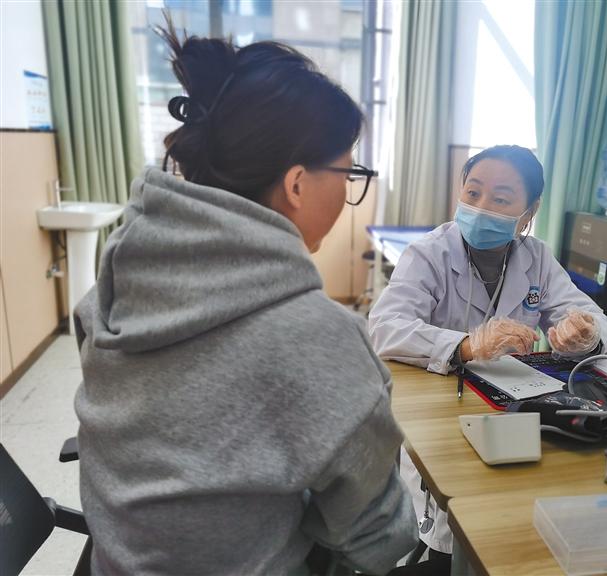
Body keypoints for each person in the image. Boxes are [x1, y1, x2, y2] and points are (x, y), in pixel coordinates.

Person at [73, 23, 417, 576]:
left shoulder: (110, 291)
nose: (348, 190)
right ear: (297, 184)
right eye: (348, 171)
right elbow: (377, 537)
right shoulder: (316, 334)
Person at [368, 145, 607, 561]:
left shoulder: (537, 258)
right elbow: (384, 327)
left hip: (513, 409)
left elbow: (596, 322)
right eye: (473, 192)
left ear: (530, 211)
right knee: (457, 530)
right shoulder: (430, 253)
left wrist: (584, 335)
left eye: (501, 199)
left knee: (515, 523)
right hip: (443, 414)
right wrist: (465, 345)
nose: (481, 207)